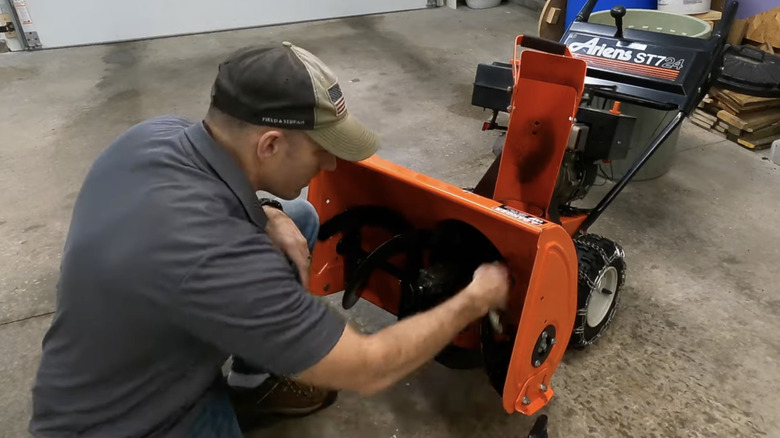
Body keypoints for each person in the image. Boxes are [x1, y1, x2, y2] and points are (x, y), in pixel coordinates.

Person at [29, 41, 510, 437]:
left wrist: (267, 210)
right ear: (271, 144)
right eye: (322, 151)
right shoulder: (219, 257)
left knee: (295, 216)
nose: (329, 166)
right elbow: (371, 366)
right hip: (133, 423)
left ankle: (253, 384)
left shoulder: (154, 136)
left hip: (110, 365)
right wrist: (475, 298)